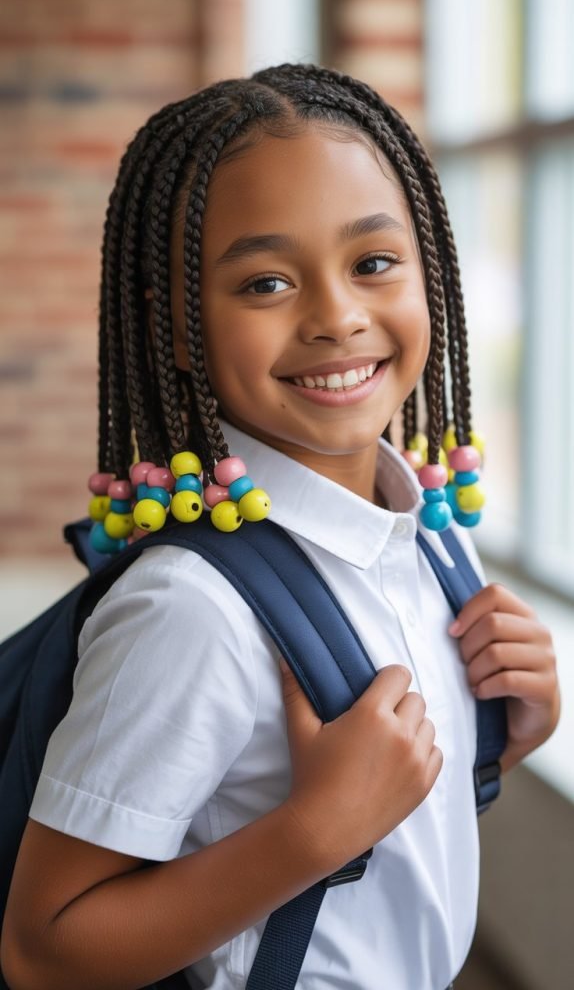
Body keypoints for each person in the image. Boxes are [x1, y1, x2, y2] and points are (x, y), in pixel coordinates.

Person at [0, 63, 560, 990]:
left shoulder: (425, 543)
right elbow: (43, 951)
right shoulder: (191, 610)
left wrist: (512, 726)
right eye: (265, 282)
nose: (337, 318)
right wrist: (313, 830)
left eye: (373, 263)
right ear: (177, 325)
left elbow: (402, 835)